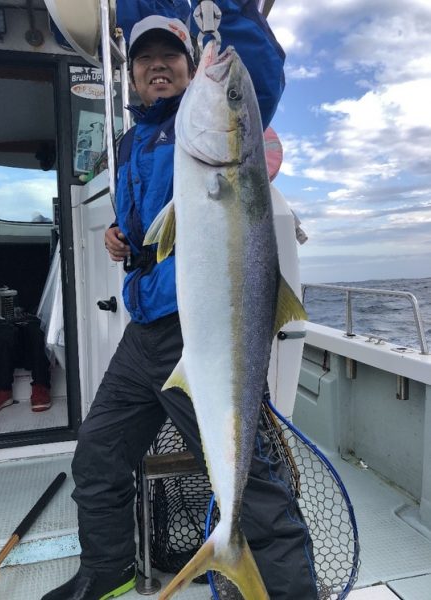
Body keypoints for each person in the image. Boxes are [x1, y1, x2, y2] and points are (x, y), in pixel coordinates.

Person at [41, 2, 318, 599]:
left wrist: (234, 12)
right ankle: (109, 573)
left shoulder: (206, 126)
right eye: (146, 60)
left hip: (201, 332)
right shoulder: (130, 141)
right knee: (97, 456)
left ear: (192, 71)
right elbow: (149, 222)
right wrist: (121, 238)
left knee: (256, 485)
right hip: (144, 337)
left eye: (172, 57)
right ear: (134, 74)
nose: (158, 67)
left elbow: (259, 80)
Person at [0, 315, 51, 416]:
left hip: (35, 319)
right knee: (1, 334)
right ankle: (1, 390)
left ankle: (41, 386)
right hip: (3, 323)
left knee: (37, 331)